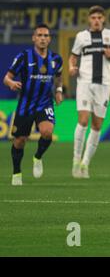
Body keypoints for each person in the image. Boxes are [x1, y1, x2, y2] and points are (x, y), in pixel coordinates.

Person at [3, 24, 63, 186]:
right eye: (40, 35)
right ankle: (17, 172)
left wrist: (58, 90)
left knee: (47, 133)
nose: (43, 38)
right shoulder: (24, 57)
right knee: (20, 140)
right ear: (34, 38)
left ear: (49, 39)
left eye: (46, 36)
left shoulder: (56, 59)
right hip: (25, 105)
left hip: (45, 103)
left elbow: (58, 77)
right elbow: (7, 77)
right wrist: (11, 83)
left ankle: (38, 157)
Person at [69, 5, 110, 179]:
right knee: (83, 120)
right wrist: (71, 66)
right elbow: (73, 56)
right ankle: (76, 160)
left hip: (104, 85)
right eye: (94, 18)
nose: (97, 20)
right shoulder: (81, 37)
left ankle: (85, 163)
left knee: (97, 125)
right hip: (84, 82)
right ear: (89, 19)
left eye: (100, 17)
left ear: (104, 19)